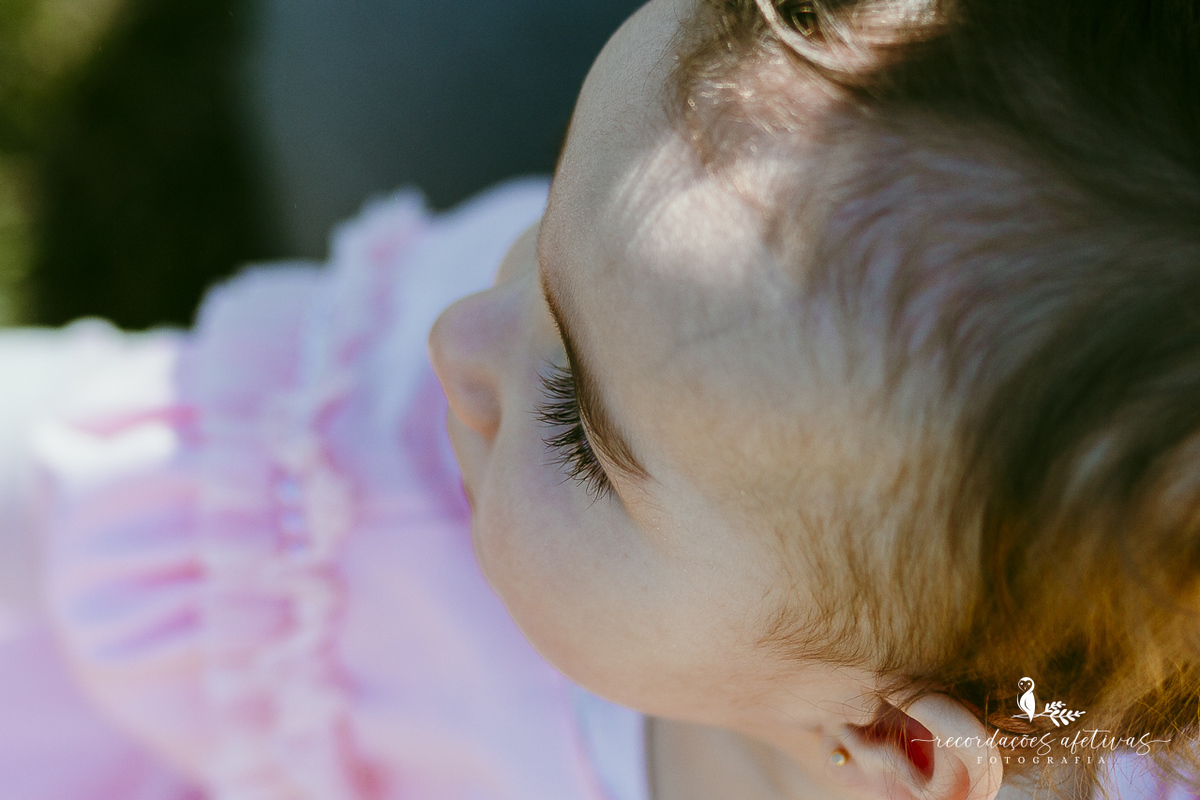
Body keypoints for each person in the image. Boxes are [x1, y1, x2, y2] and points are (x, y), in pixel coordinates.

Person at [0, 0, 1198, 798]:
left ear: (903, 739)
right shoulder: (356, 501)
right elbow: (40, 495)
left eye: (576, 425)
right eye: (548, 212)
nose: (459, 334)